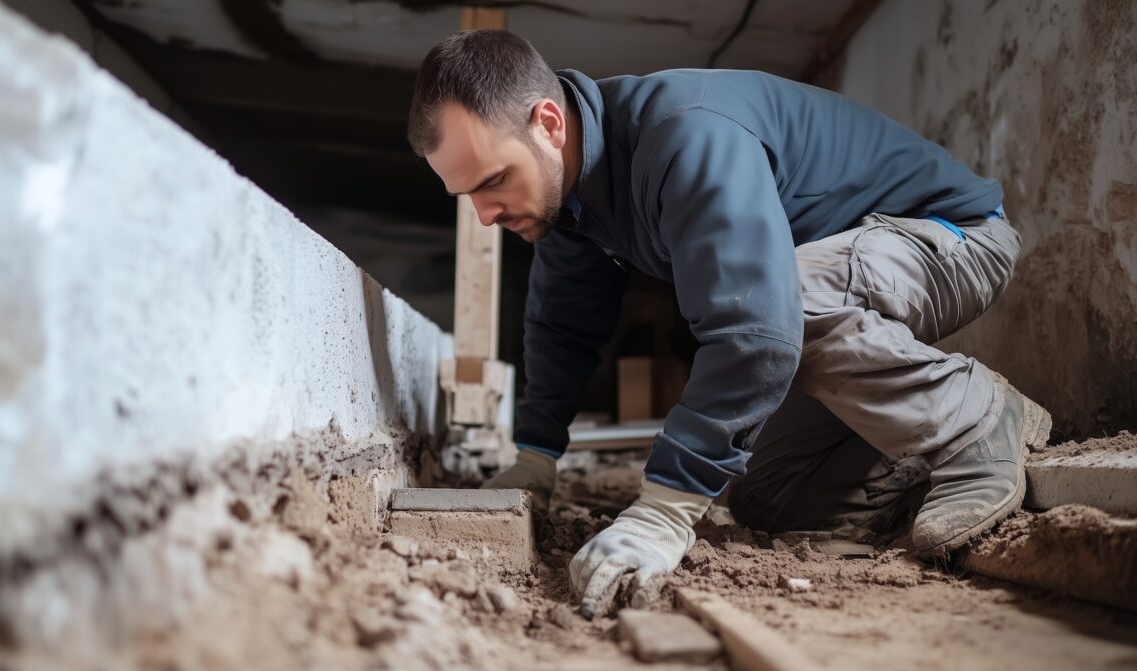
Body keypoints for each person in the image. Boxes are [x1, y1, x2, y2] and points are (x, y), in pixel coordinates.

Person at [406, 30, 1051, 619]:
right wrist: (535, 456)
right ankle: (938, 443)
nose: (486, 216)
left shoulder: (684, 134)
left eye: (493, 182)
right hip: (834, 288)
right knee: (771, 500)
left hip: (950, 239)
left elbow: (757, 332)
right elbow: (563, 326)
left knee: (785, 303)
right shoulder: (567, 202)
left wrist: (665, 508)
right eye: (469, 196)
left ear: (549, 123)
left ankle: (976, 423)